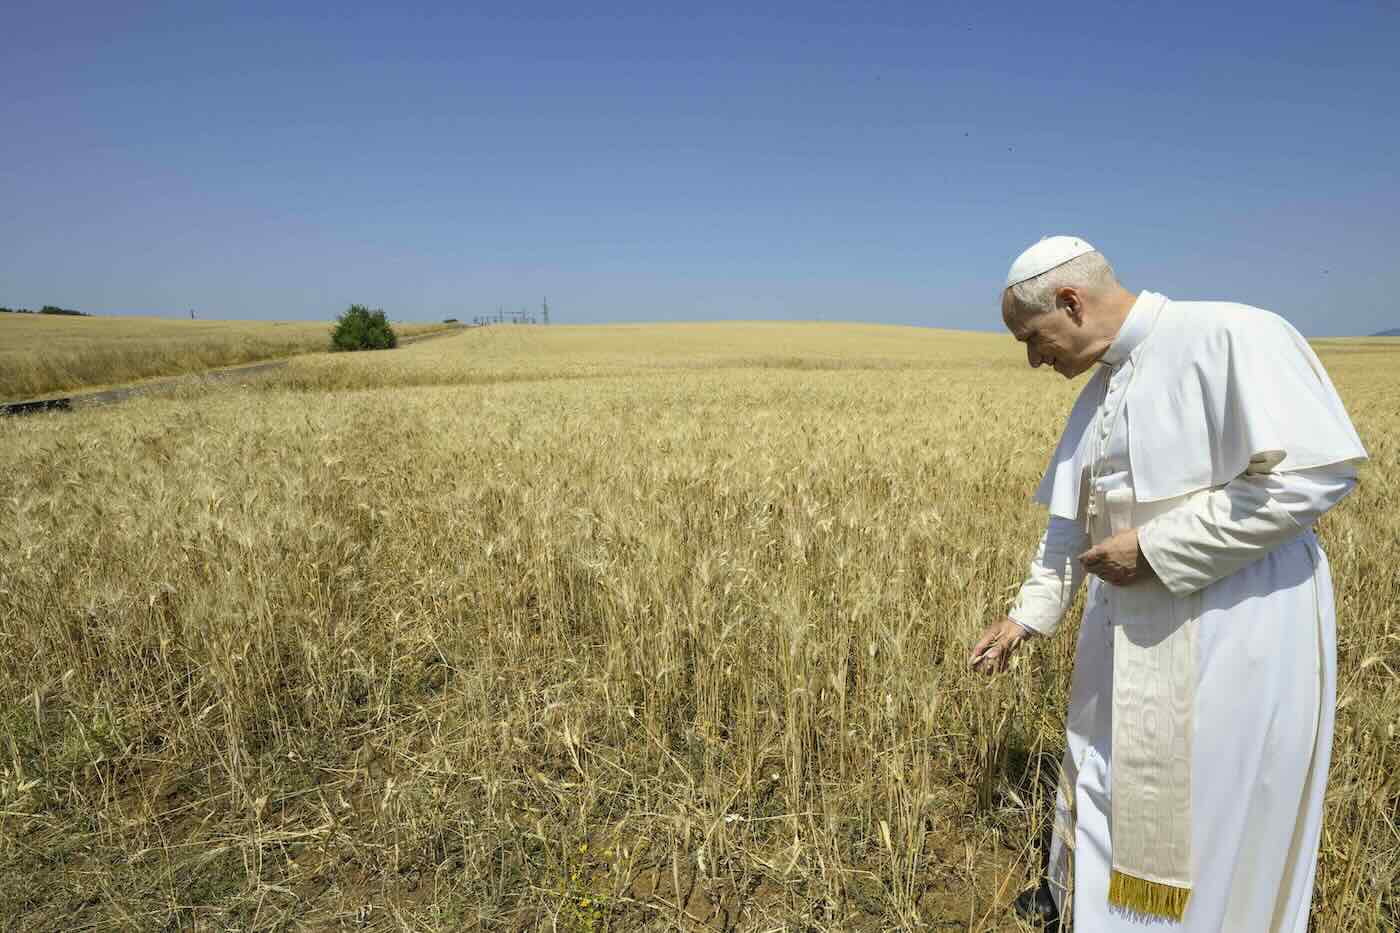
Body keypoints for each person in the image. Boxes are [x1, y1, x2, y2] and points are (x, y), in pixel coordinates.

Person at [969, 237, 1367, 931]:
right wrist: (1027, 615)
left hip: (1232, 621)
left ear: (1071, 301)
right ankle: (1096, 908)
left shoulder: (1232, 334)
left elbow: (1314, 475)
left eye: (1033, 338)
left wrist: (1155, 549)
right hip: (1125, 621)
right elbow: (1072, 521)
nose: (1034, 359)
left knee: (1205, 802)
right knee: (1104, 771)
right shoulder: (1100, 390)